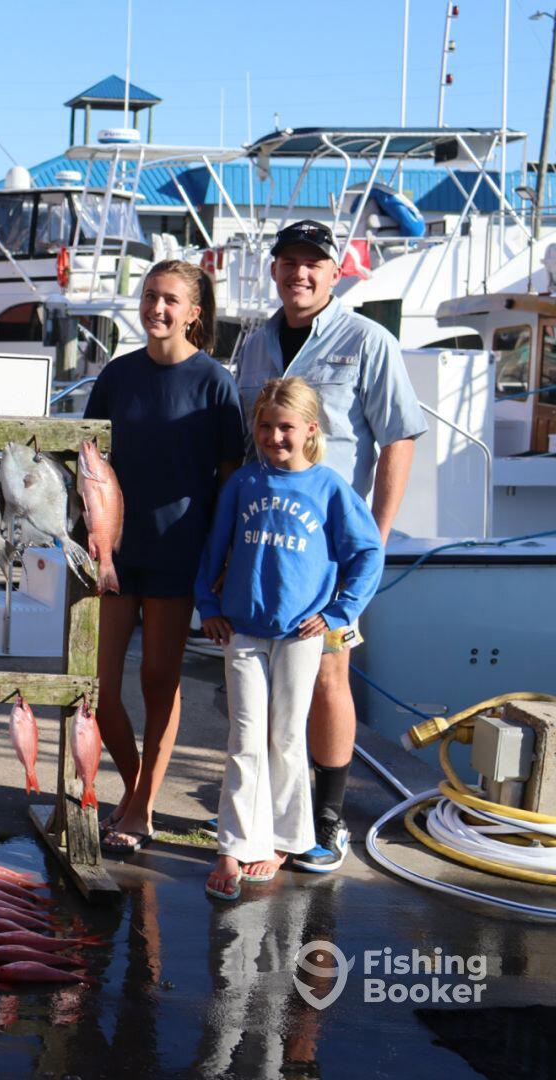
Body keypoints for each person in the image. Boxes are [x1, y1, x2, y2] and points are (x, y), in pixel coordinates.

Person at [233, 220, 427, 872]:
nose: (300, 274)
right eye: (288, 262)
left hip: (329, 551)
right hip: (265, 544)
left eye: (313, 263)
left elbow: (398, 437)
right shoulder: (254, 344)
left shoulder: (367, 341)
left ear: (334, 270)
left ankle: (325, 821)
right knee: (264, 689)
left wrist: (376, 532)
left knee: (328, 678)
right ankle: (266, 817)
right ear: (274, 270)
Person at [195, 377, 383, 900]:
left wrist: (340, 611)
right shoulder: (245, 484)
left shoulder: (329, 488)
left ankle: (282, 838)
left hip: (303, 633)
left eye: (285, 427)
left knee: (285, 738)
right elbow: (216, 547)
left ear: (309, 430)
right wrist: (208, 606)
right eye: (265, 426)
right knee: (245, 738)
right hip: (243, 630)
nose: (274, 436)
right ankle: (232, 845)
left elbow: (367, 553)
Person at [83, 260, 246, 854]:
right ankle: (137, 794)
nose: (157, 308)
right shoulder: (117, 375)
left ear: (194, 313)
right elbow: (89, 462)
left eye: (170, 299)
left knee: (158, 680)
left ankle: (142, 806)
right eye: (150, 296)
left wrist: (223, 558)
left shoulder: (214, 383)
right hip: (115, 553)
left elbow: (232, 481)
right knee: (98, 689)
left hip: (181, 553)